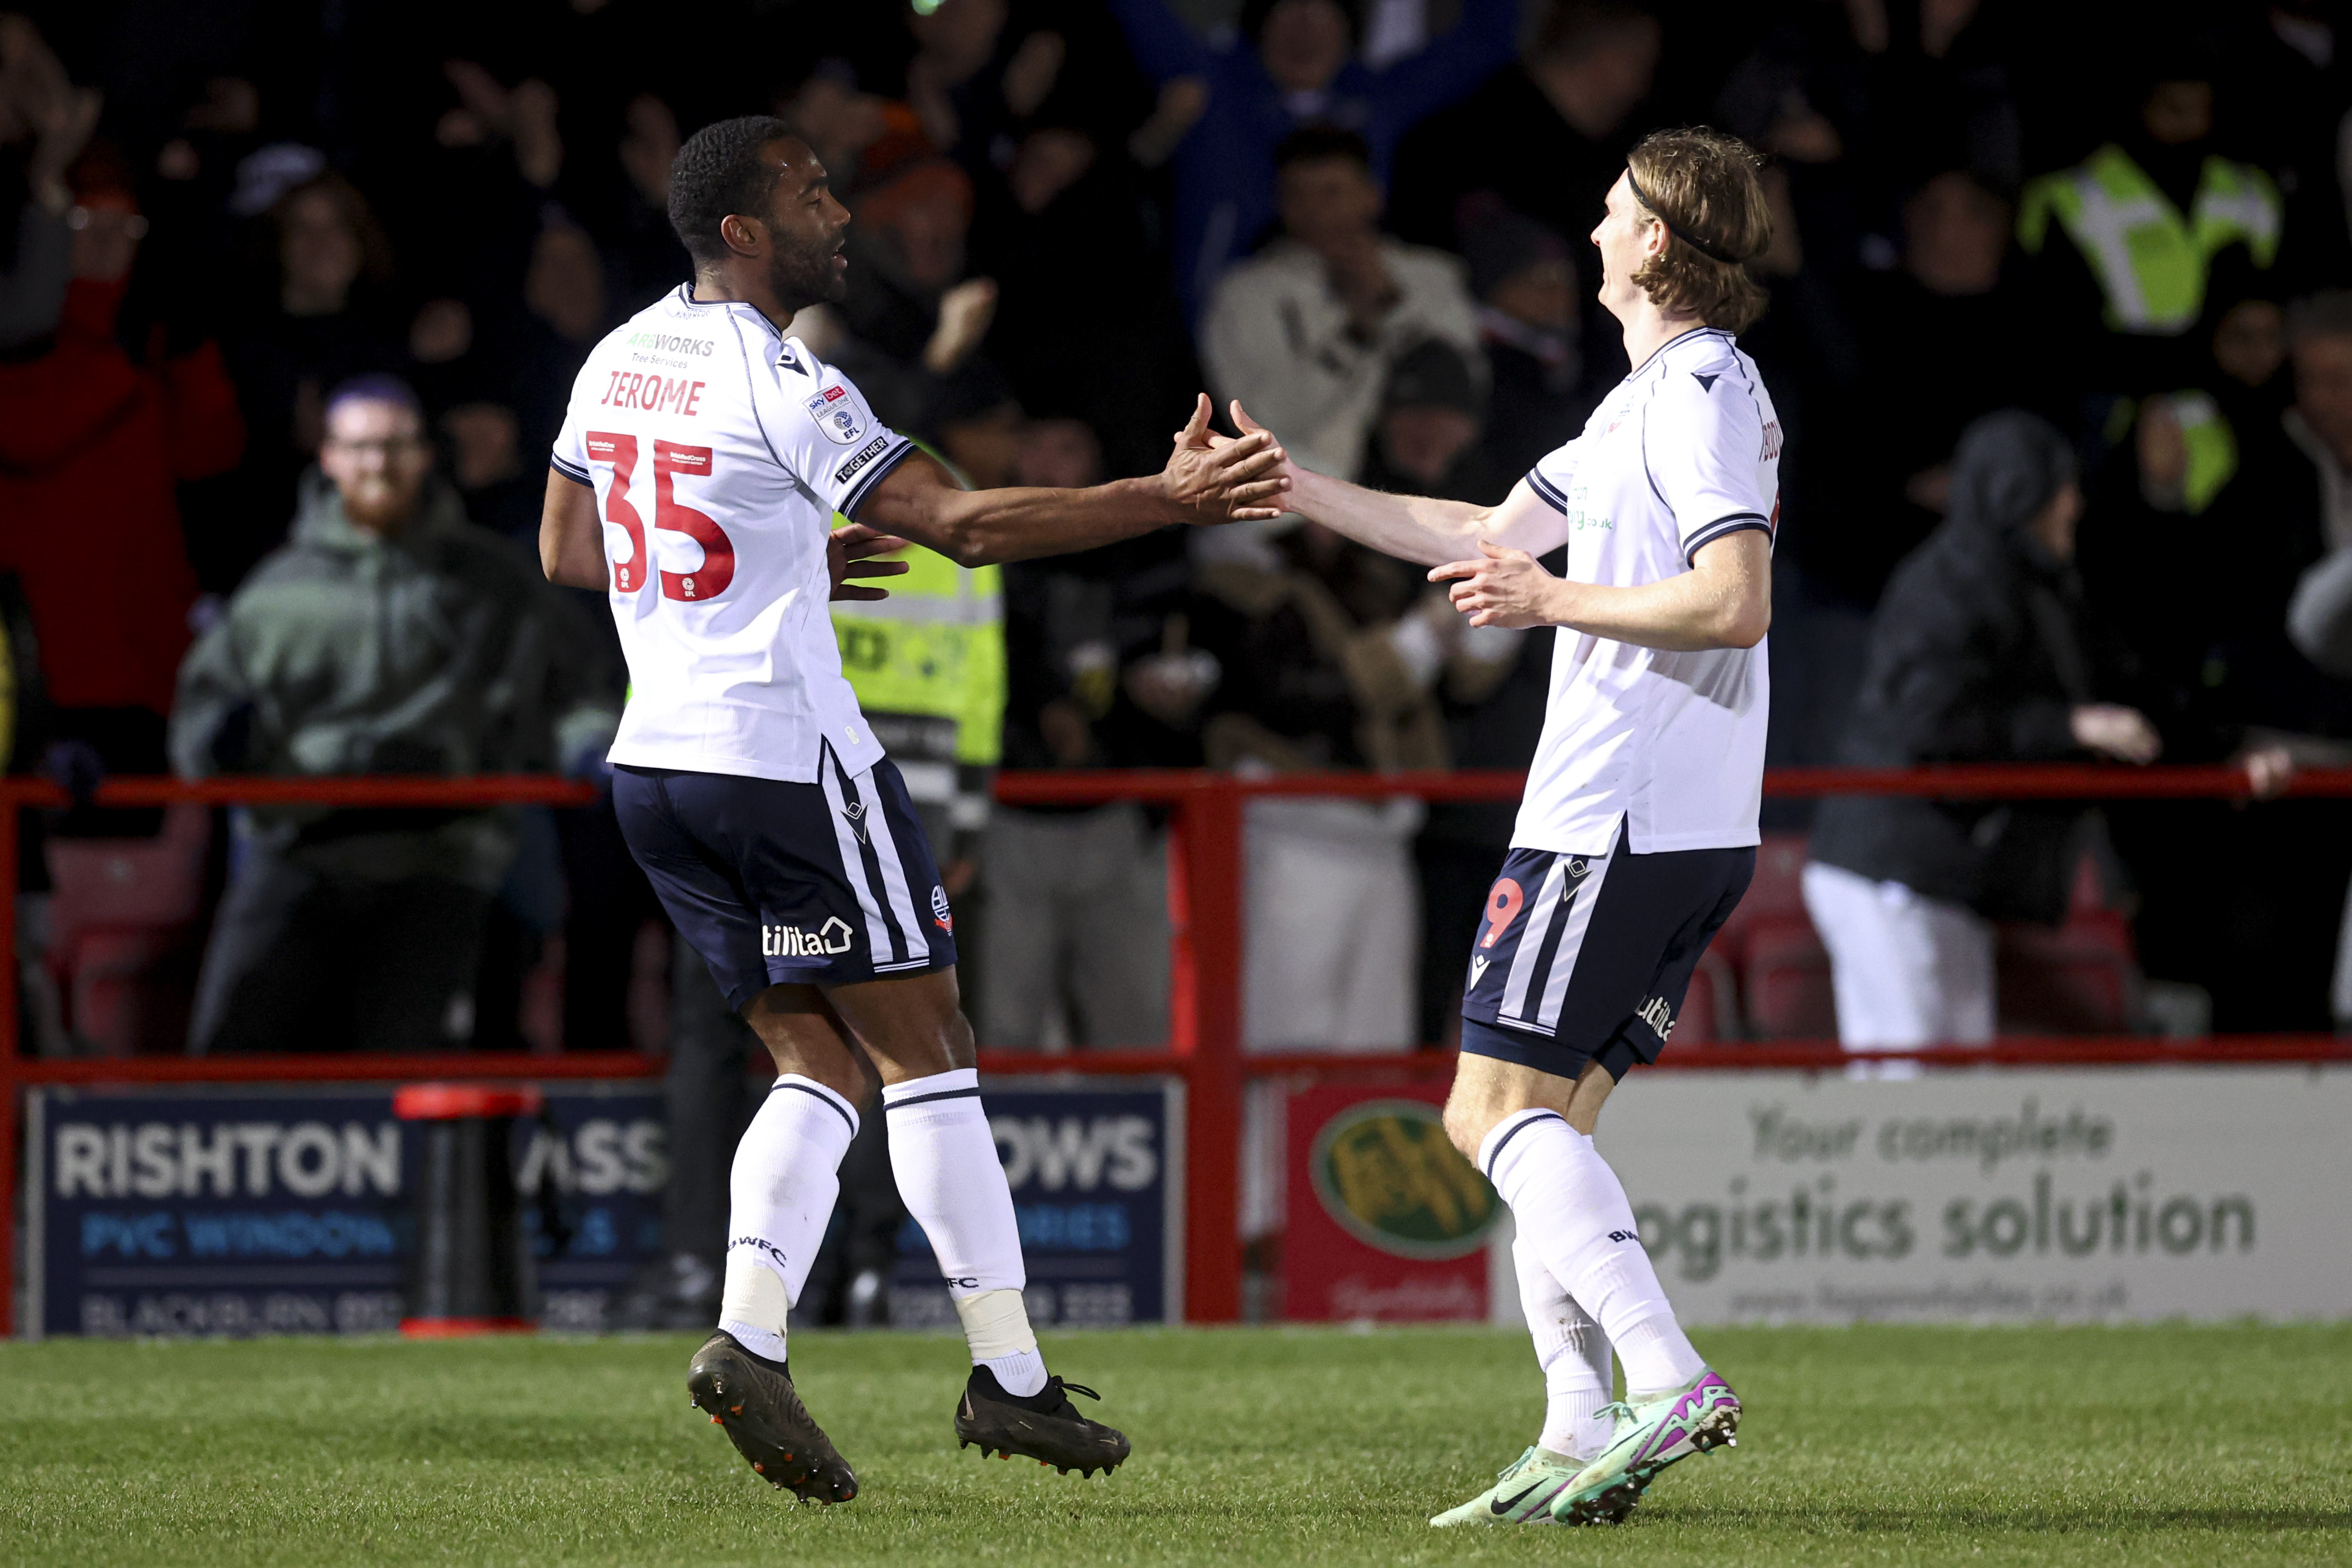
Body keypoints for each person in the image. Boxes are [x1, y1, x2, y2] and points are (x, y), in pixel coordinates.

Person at [537, 115, 1285, 1502]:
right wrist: (1169, 498)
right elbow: (972, 527)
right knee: (931, 1052)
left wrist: (774, 558)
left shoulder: (619, 353)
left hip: (658, 769)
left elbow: (571, 546)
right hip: (788, 761)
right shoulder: (788, 378)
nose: (838, 213)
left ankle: (748, 1337)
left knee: (817, 1065)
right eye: (811, 194)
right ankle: (1008, 1379)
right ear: (744, 230)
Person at [1212, 126, 1774, 1527]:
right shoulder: (1647, 398)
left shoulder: (1697, 391)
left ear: (1657, 241)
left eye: (1609, 211)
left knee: (1484, 1112)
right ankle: (1576, 1424)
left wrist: (1550, 604)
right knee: (1547, 1126)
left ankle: (1663, 1371)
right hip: (1667, 815)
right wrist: (1288, 486)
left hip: (1617, 816)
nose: (1588, 230)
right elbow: (1482, 528)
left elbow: (1733, 598)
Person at [172, 375, 616, 1054]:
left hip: (444, 855)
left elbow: (575, 691)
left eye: (394, 445)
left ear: (424, 455)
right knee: (229, 1065)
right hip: (301, 851)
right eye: (358, 447)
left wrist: (590, 750)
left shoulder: (493, 582)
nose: (376, 464)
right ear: (328, 457)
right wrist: (221, 742)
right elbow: (201, 721)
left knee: (414, 1076)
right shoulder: (274, 594)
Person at [1802, 412, 2160, 1050]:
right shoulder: (1950, 583)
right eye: (2060, 488)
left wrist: (2233, 747)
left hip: (1945, 871)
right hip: (1886, 866)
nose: (2075, 506)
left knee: (1960, 1078)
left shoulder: (2036, 587)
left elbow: (2124, 682)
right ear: (2019, 494)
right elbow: (1931, 720)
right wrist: (2071, 725)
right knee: (1907, 1076)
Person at [1201, 127, 1479, 485]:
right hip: (1302, 491)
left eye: (1332, 193)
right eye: (1297, 195)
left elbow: (1465, 383)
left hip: (1429, 482)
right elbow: (1269, 418)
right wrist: (1356, 334)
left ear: (1371, 196)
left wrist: (1387, 301)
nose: (1315, 211)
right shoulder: (1245, 294)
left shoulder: (1431, 276)